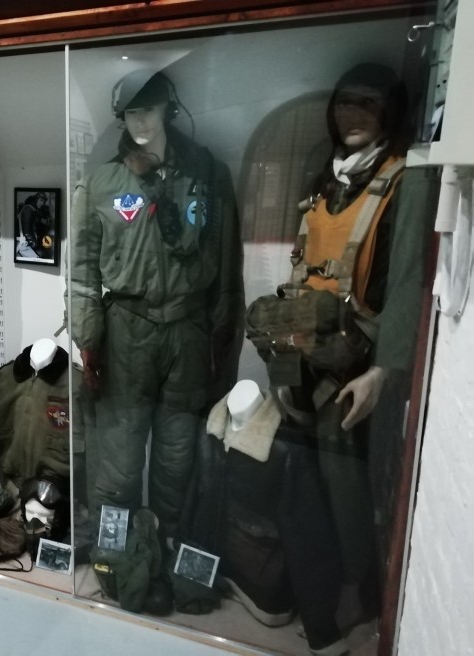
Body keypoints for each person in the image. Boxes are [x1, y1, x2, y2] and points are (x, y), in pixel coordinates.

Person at [274, 63, 437, 630]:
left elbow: (409, 281)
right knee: (305, 482)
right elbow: (297, 276)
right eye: (345, 104)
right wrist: (283, 364)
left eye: (368, 104)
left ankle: (353, 590)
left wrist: (385, 372)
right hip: (305, 356)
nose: (353, 115)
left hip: (356, 366)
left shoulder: (405, 180)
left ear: (389, 112)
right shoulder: (327, 180)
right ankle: (313, 579)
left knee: (348, 487)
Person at [69, 70, 244, 544]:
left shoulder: (207, 175)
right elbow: (81, 271)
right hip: (127, 330)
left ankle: (166, 548)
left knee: (177, 455)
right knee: (119, 456)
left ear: (169, 108)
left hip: (189, 331)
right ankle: (113, 551)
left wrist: (224, 341)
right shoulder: (102, 182)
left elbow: (228, 267)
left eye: (148, 109)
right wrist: (88, 338)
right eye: (130, 112)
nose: (140, 121)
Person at [16, 192, 54, 260]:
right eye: (41, 200)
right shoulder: (28, 209)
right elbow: (27, 230)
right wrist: (34, 245)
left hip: (27, 243)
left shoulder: (34, 210)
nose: (42, 203)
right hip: (23, 244)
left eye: (44, 201)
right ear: (36, 199)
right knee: (38, 259)